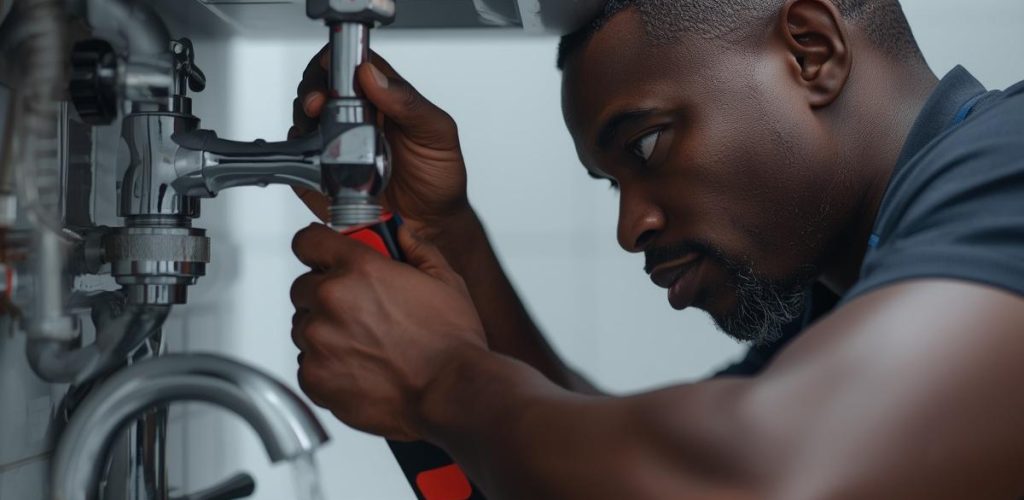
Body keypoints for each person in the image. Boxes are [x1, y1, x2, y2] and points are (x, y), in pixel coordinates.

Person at [286, 0, 1024, 497]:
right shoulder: (848, 291)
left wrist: (437, 380)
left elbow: (758, 473)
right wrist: (440, 234)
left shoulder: (1009, 159)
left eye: (646, 145)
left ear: (812, 51)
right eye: (611, 186)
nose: (630, 227)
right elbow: (623, 462)